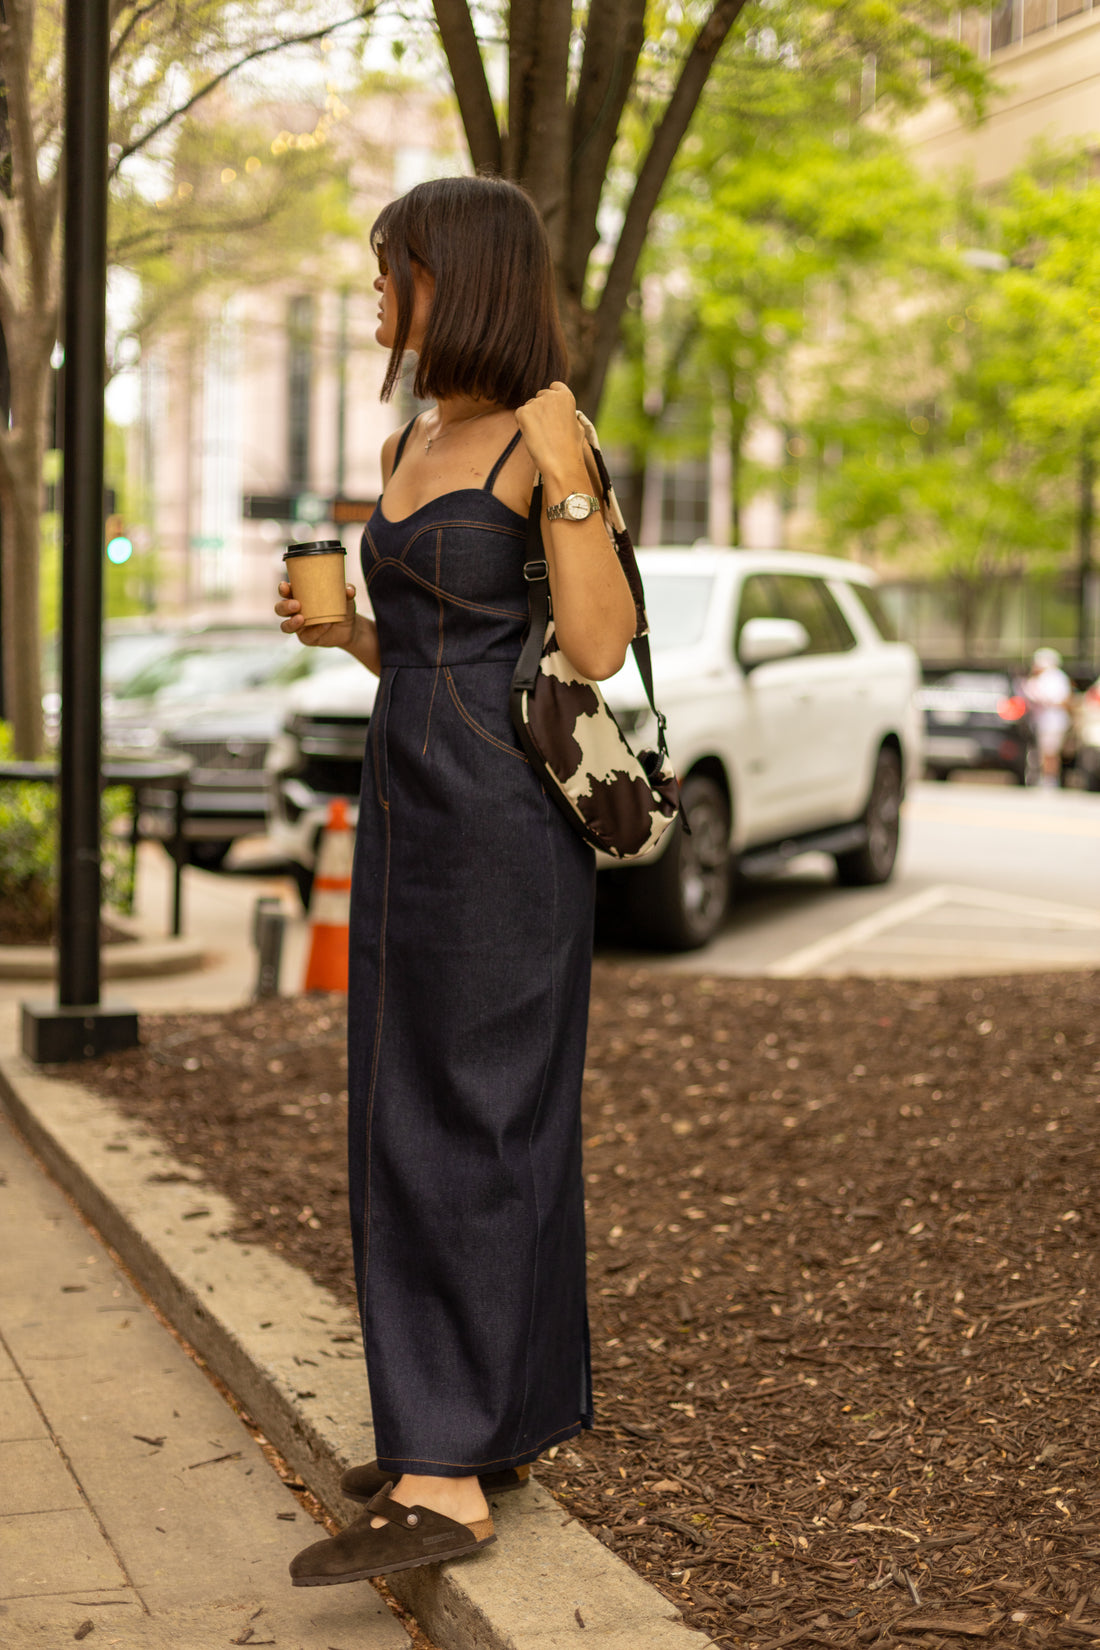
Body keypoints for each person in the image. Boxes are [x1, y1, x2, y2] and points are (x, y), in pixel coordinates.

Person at [275, 175, 636, 1586]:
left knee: (476, 1120)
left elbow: (595, 646)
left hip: (502, 819)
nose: (379, 291)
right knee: (400, 1104)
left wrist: (569, 473)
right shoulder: (417, 432)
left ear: (463, 275)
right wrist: (351, 630)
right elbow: (428, 644)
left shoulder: (546, 432)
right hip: (406, 799)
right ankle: (478, 1420)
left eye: (397, 266)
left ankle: (447, 1475)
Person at [1024, 647, 1072, 789]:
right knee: (1044, 751)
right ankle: (1045, 777)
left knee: (1050, 752)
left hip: (1053, 721)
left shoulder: (1055, 677)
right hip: (1045, 721)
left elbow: (1063, 700)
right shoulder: (1042, 678)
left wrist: (1045, 701)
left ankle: (1050, 780)